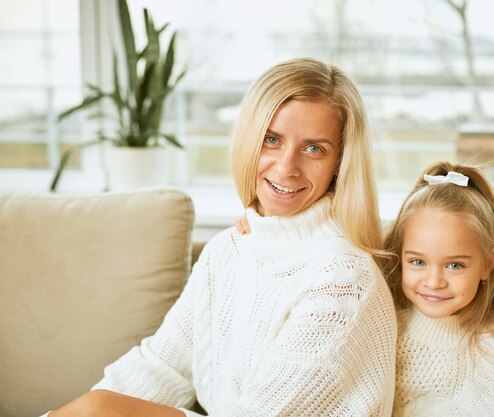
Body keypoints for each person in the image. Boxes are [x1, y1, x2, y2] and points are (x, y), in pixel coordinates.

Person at [44, 57, 397, 417]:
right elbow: (163, 366)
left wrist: (100, 410)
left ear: (340, 163)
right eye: (271, 140)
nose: (286, 167)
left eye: (313, 149)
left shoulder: (342, 279)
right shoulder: (228, 250)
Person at [382, 161, 494, 417]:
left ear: (488, 265)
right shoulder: (383, 322)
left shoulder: (490, 346)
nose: (434, 281)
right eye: (418, 262)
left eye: (455, 265)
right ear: (399, 256)